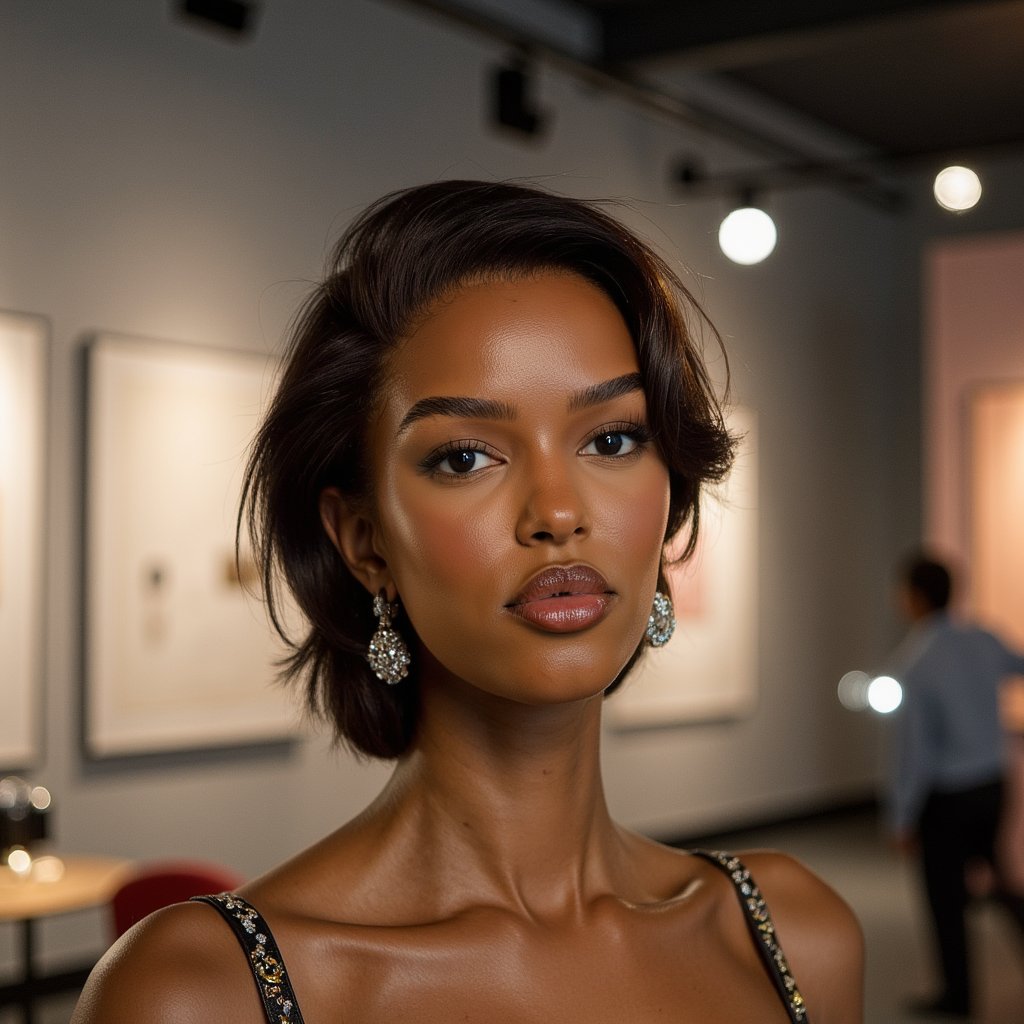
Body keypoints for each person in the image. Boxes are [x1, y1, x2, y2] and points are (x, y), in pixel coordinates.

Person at [73, 180, 863, 1024]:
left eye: (613, 439)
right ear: (364, 539)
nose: (559, 512)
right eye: (465, 458)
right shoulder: (202, 995)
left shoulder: (792, 932)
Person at [886, 552, 1024, 1018]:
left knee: (946, 900)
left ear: (915, 597)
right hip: (992, 784)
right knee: (1002, 881)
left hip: (947, 798)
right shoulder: (981, 639)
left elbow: (915, 754)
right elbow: (1019, 665)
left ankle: (959, 995)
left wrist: (901, 817)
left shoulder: (917, 662)